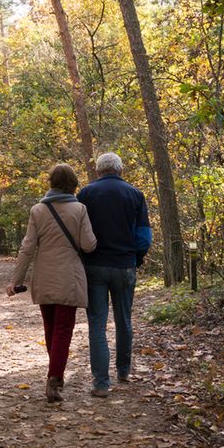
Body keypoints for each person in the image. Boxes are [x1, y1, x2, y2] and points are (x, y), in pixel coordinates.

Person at [6, 163, 97, 402]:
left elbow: (27, 248)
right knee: (63, 330)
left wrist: (15, 281)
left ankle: (54, 375)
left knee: (50, 329)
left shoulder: (38, 210)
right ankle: (54, 378)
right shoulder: (80, 209)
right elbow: (88, 245)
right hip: (69, 276)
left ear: (51, 183)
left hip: (44, 276)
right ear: (73, 183)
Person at [77, 151, 152, 398]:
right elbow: (143, 235)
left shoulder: (86, 194)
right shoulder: (135, 195)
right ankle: (123, 370)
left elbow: (80, 232)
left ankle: (101, 382)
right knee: (124, 319)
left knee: (97, 324)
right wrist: (136, 258)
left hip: (95, 266)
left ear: (99, 171)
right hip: (124, 265)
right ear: (120, 170)